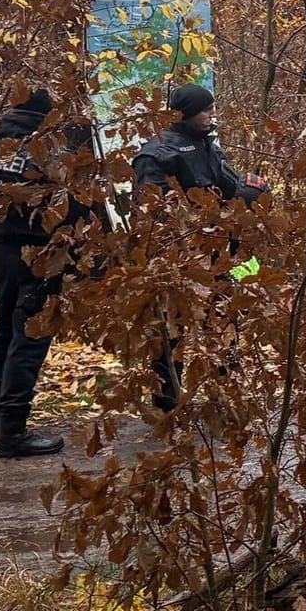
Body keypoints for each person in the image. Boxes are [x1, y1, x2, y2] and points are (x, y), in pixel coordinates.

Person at [132, 83, 264, 413]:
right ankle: (168, 405)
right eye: (205, 110)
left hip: (219, 253)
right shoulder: (157, 154)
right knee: (172, 330)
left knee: (222, 321)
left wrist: (248, 194)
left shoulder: (209, 144)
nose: (211, 114)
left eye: (211, 108)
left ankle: (226, 395)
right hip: (180, 258)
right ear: (187, 113)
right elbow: (153, 213)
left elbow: (227, 187)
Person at [0, 89, 91, 458]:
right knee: (29, 340)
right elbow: (70, 208)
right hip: (39, 254)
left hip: (1, 248)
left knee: (5, 331)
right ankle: (12, 432)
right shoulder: (49, 153)